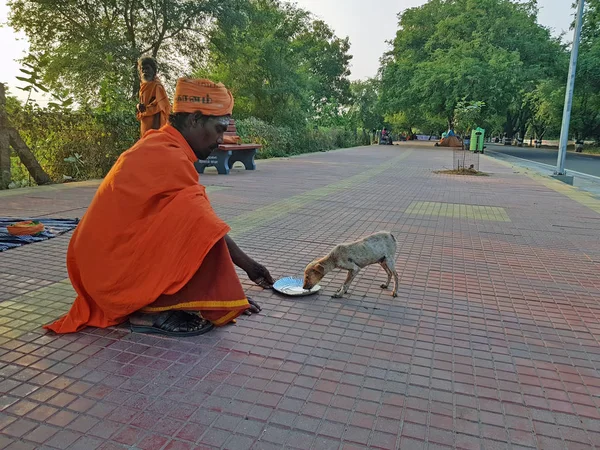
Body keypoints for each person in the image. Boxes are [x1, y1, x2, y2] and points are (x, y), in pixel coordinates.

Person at [44, 78, 274, 337]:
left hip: (102, 265)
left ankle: (164, 300)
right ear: (195, 120)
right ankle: (145, 311)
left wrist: (225, 293)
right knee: (194, 218)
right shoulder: (166, 154)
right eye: (219, 129)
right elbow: (202, 224)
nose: (221, 140)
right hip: (106, 272)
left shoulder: (164, 145)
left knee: (192, 215)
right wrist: (247, 267)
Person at [136, 56, 171, 137]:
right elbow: (143, 107)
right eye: (142, 69)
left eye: (147, 68)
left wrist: (155, 131)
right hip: (145, 126)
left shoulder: (157, 86)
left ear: (153, 71)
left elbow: (160, 108)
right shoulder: (143, 87)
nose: (145, 71)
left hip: (155, 128)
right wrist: (138, 106)